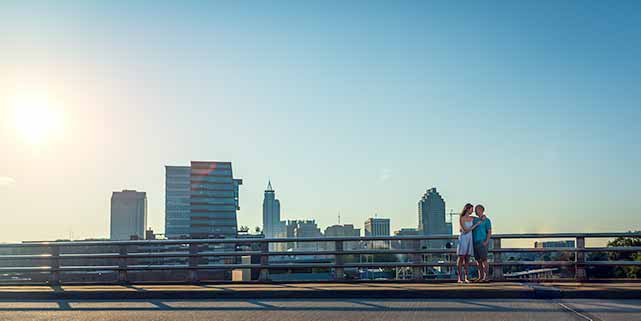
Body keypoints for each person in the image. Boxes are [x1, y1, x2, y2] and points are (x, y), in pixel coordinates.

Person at [456, 203, 483, 283]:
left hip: (469, 238)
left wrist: (482, 217)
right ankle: (460, 278)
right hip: (463, 238)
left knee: (467, 258)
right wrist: (476, 225)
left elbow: (481, 218)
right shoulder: (462, 218)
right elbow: (465, 230)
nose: (472, 211)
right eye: (471, 209)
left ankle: (467, 277)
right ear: (467, 209)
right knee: (461, 257)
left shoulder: (472, 218)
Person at [472, 204, 492, 282]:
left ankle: (486, 277)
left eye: (477, 209)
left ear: (481, 210)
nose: (475, 211)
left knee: (484, 260)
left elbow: (489, 231)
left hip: (482, 242)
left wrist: (486, 241)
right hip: (475, 242)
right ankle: (480, 277)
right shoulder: (475, 220)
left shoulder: (487, 220)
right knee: (478, 261)